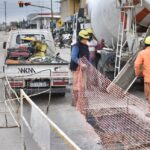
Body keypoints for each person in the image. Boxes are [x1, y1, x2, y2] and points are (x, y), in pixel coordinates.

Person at [70, 29, 90, 107]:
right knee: (76, 84)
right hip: (76, 68)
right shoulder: (76, 46)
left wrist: (89, 65)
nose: (87, 40)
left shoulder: (86, 45)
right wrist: (81, 64)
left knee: (83, 84)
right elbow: (74, 57)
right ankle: (75, 101)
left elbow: (87, 57)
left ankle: (81, 99)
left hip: (83, 68)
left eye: (87, 39)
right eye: (85, 39)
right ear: (81, 38)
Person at [134, 36, 150, 117]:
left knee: (149, 95)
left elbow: (137, 65)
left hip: (148, 79)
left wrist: (138, 74)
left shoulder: (142, 53)